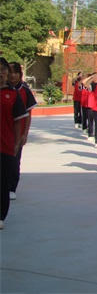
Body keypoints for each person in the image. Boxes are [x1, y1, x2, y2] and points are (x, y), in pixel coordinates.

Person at [0, 58, 29, 230]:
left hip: (5, 145)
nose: (1, 73)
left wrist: (17, 141)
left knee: (3, 182)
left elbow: (19, 120)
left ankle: (1, 215)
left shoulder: (13, 94)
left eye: (3, 69)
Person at [7, 63, 35, 201]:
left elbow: (28, 114)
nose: (12, 75)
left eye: (15, 72)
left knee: (14, 161)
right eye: (10, 72)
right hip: (4, 132)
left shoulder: (24, 91)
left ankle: (11, 188)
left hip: (17, 134)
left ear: (20, 75)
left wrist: (25, 133)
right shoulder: (3, 89)